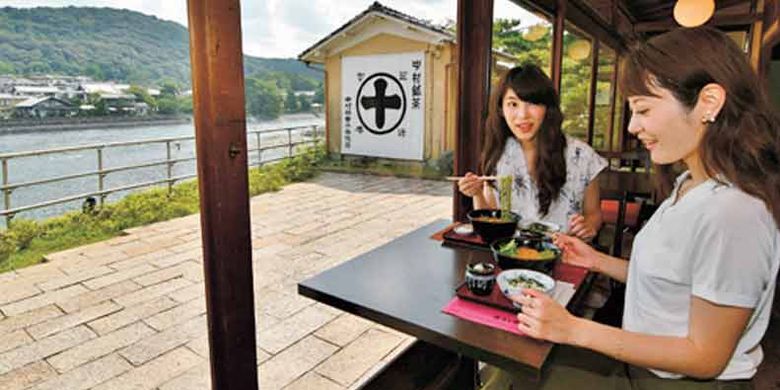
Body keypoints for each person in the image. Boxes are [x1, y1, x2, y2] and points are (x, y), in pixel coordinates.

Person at [485, 27, 780, 389]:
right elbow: (673, 277)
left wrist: (573, 328)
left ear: (709, 102)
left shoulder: (736, 212)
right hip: (642, 365)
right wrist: (596, 261)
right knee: (514, 365)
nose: (632, 126)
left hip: (679, 382)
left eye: (643, 109)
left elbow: (705, 357)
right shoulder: (688, 184)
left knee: (521, 370)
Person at [458, 64, 606, 240]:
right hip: (510, 253)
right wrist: (477, 193)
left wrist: (588, 226)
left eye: (533, 103)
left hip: (565, 254)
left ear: (547, 108)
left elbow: (594, 215)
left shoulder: (583, 156)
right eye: (513, 104)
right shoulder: (499, 154)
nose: (522, 115)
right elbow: (491, 216)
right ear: (501, 110)